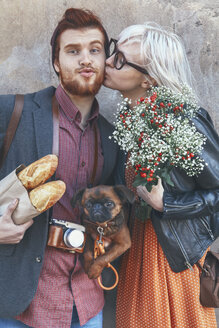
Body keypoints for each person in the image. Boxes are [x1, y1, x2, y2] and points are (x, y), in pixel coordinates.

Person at [0, 7, 121, 328]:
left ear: (105, 60)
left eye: (94, 50)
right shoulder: (13, 111)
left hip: (87, 303)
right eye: (73, 51)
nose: (85, 59)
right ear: (56, 62)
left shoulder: (113, 137)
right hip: (19, 304)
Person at [104, 23, 219, 327]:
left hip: (173, 263)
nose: (106, 62)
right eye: (113, 51)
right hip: (134, 257)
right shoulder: (130, 121)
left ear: (149, 79)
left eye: (119, 59)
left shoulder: (186, 120)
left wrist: (166, 203)